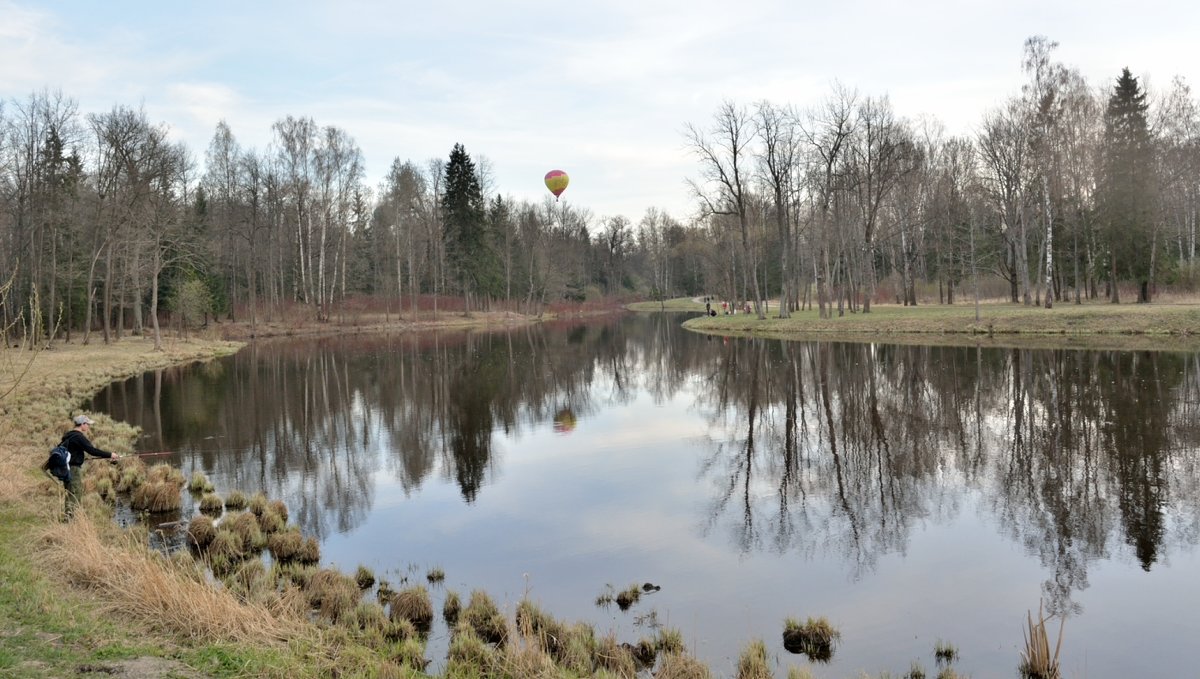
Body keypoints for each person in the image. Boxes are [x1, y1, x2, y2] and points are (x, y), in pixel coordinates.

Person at [60, 415, 119, 517]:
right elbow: (92, 451)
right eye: (87, 424)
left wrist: (80, 458)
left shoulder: (68, 435)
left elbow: (72, 452)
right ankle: (70, 520)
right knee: (75, 493)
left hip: (66, 468)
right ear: (82, 424)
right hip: (73, 470)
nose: (88, 427)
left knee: (70, 492)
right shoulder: (79, 437)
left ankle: (69, 517)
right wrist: (110, 454)